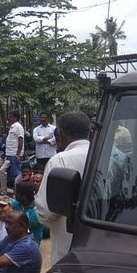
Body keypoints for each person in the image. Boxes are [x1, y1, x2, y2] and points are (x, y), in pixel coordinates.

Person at [35, 111, 90, 265]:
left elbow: (44, 213)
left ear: (59, 134)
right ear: (89, 131)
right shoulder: (112, 155)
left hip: (67, 250)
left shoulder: (59, 161)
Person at [6, 111, 25, 182]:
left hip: (14, 153)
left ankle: (18, 189)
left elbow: (20, 140)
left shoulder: (18, 127)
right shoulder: (12, 127)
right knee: (13, 173)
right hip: (10, 153)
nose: (9, 118)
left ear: (15, 118)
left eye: (11, 116)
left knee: (17, 173)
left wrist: (18, 155)